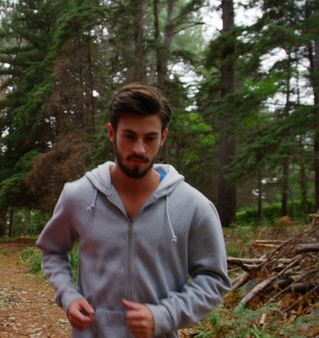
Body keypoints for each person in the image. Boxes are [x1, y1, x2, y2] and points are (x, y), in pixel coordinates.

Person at [36, 83, 231, 338]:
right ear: (111, 132)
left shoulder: (194, 206)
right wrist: (68, 295)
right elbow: (52, 250)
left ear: (163, 137)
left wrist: (165, 315)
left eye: (150, 138)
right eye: (129, 136)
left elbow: (214, 279)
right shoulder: (78, 195)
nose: (139, 149)